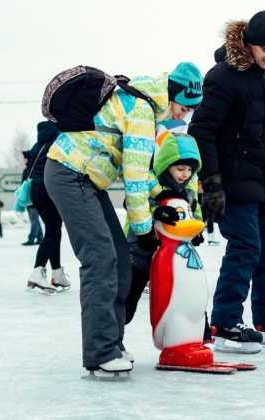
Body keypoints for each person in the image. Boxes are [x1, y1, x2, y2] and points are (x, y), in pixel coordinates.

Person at [45, 66, 198, 377]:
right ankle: (101, 353)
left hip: (86, 179)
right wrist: (144, 231)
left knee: (120, 261)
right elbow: (135, 177)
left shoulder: (141, 105)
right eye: (182, 108)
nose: (183, 118)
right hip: (69, 173)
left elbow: (139, 174)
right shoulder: (141, 112)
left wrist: (161, 199)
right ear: (170, 97)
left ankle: (112, 344)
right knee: (101, 259)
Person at [189, 10, 265, 354]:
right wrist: (210, 182)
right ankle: (225, 322)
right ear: (249, 43)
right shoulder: (224, 77)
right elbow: (202, 131)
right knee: (245, 247)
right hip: (231, 178)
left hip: (263, 177)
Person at [125, 124, 203, 328]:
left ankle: (198, 333)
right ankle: (114, 339)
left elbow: (194, 210)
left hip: (173, 256)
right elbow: (133, 203)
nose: (185, 174)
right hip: (140, 250)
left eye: (189, 169)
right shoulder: (152, 183)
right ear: (166, 164)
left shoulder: (188, 189)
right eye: (179, 168)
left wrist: (197, 230)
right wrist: (155, 212)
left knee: (185, 293)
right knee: (128, 298)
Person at [25, 121, 71, 292]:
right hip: (49, 188)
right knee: (53, 231)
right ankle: (38, 270)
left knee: (53, 230)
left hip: (36, 191)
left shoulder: (38, 144)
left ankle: (57, 273)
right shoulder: (58, 140)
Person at [21, 150, 44, 246]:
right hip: (33, 198)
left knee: (33, 219)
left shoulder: (29, 170)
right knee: (35, 219)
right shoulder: (32, 169)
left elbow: (24, 185)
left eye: (24, 158)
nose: (23, 160)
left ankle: (32, 238)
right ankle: (40, 237)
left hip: (32, 198)